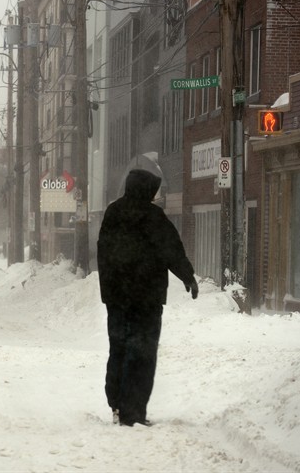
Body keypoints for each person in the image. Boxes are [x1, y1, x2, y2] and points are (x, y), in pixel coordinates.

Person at [97, 169, 198, 427]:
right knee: (142, 353)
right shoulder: (154, 217)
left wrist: (108, 291)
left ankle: (117, 404)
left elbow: (103, 255)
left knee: (119, 348)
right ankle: (134, 411)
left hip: (118, 299)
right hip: (146, 300)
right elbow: (171, 250)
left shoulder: (113, 213)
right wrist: (187, 276)